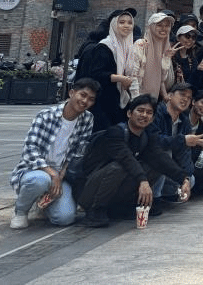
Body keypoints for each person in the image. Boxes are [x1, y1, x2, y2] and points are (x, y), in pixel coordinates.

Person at [78, 94, 191, 227]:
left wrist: (183, 179)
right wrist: (143, 181)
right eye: (140, 110)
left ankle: (123, 207)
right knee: (119, 167)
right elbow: (126, 158)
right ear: (129, 113)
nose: (144, 115)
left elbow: (159, 157)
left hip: (114, 189)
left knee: (155, 166)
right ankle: (96, 211)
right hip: (89, 190)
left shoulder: (146, 135)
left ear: (152, 118)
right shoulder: (115, 132)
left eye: (149, 112)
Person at [9, 78, 99, 229]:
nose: (85, 101)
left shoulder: (87, 119)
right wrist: (52, 174)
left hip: (61, 174)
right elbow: (30, 150)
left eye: (91, 99)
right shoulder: (46, 115)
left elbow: (78, 152)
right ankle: (20, 211)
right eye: (82, 95)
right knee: (40, 180)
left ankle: (43, 204)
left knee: (65, 218)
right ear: (72, 93)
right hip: (35, 169)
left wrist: (62, 173)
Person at [78, 8, 137, 130]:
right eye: (121, 22)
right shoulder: (105, 46)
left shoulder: (129, 47)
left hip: (120, 100)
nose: (126, 26)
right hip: (104, 101)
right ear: (114, 24)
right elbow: (96, 74)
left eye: (130, 23)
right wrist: (120, 78)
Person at [167, 24, 202, 90]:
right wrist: (168, 58)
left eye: (193, 37)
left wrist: (198, 70)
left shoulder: (193, 58)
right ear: (178, 38)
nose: (190, 40)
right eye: (187, 36)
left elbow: (193, 81)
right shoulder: (170, 54)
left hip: (187, 92)